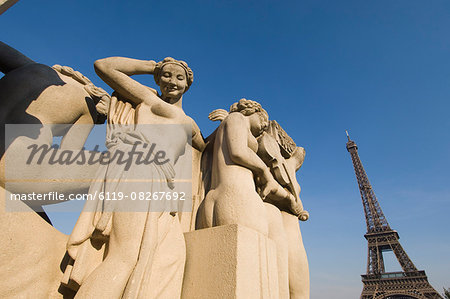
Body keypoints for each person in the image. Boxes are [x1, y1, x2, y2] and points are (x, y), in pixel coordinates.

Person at [62, 56, 205, 298]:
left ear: (188, 84)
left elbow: (205, 147)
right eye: (166, 76)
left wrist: (228, 124)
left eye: (179, 77)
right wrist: (153, 67)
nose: (171, 81)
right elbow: (104, 67)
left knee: (171, 254)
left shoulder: (190, 124)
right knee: (125, 256)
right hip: (140, 170)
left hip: (163, 188)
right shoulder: (148, 99)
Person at [196, 99, 309, 299]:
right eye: (262, 120)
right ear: (252, 111)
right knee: (266, 260)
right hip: (238, 196)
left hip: (215, 198)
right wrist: (264, 171)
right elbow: (239, 151)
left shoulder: (230, 122)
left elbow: (206, 147)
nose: (263, 127)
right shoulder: (238, 118)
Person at [0, 41, 109, 223]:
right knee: (118, 167)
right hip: (14, 165)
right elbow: (68, 157)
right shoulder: (89, 106)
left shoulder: (34, 68)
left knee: (42, 220)